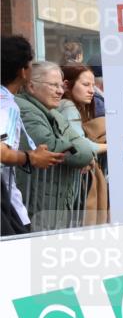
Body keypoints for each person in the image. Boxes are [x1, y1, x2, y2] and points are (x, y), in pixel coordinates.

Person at [14, 61, 97, 231]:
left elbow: (85, 148)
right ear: (31, 86)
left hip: (51, 207)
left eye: (61, 85)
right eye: (53, 85)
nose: (60, 91)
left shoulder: (52, 112)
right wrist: (80, 150)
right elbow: (51, 146)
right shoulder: (25, 110)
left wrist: (85, 152)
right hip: (35, 210)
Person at [1, 35, 64, 236]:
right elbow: (1, 152)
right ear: (23, 71)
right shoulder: (7, 106)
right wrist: (31, 157)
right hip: (6, 206)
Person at [57, 64, 108, 225]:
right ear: (67, 85)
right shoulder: (68, 107)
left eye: (93, 85)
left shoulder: (78, 108)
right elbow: (83, 147)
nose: (92, 90)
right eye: (85, 85)